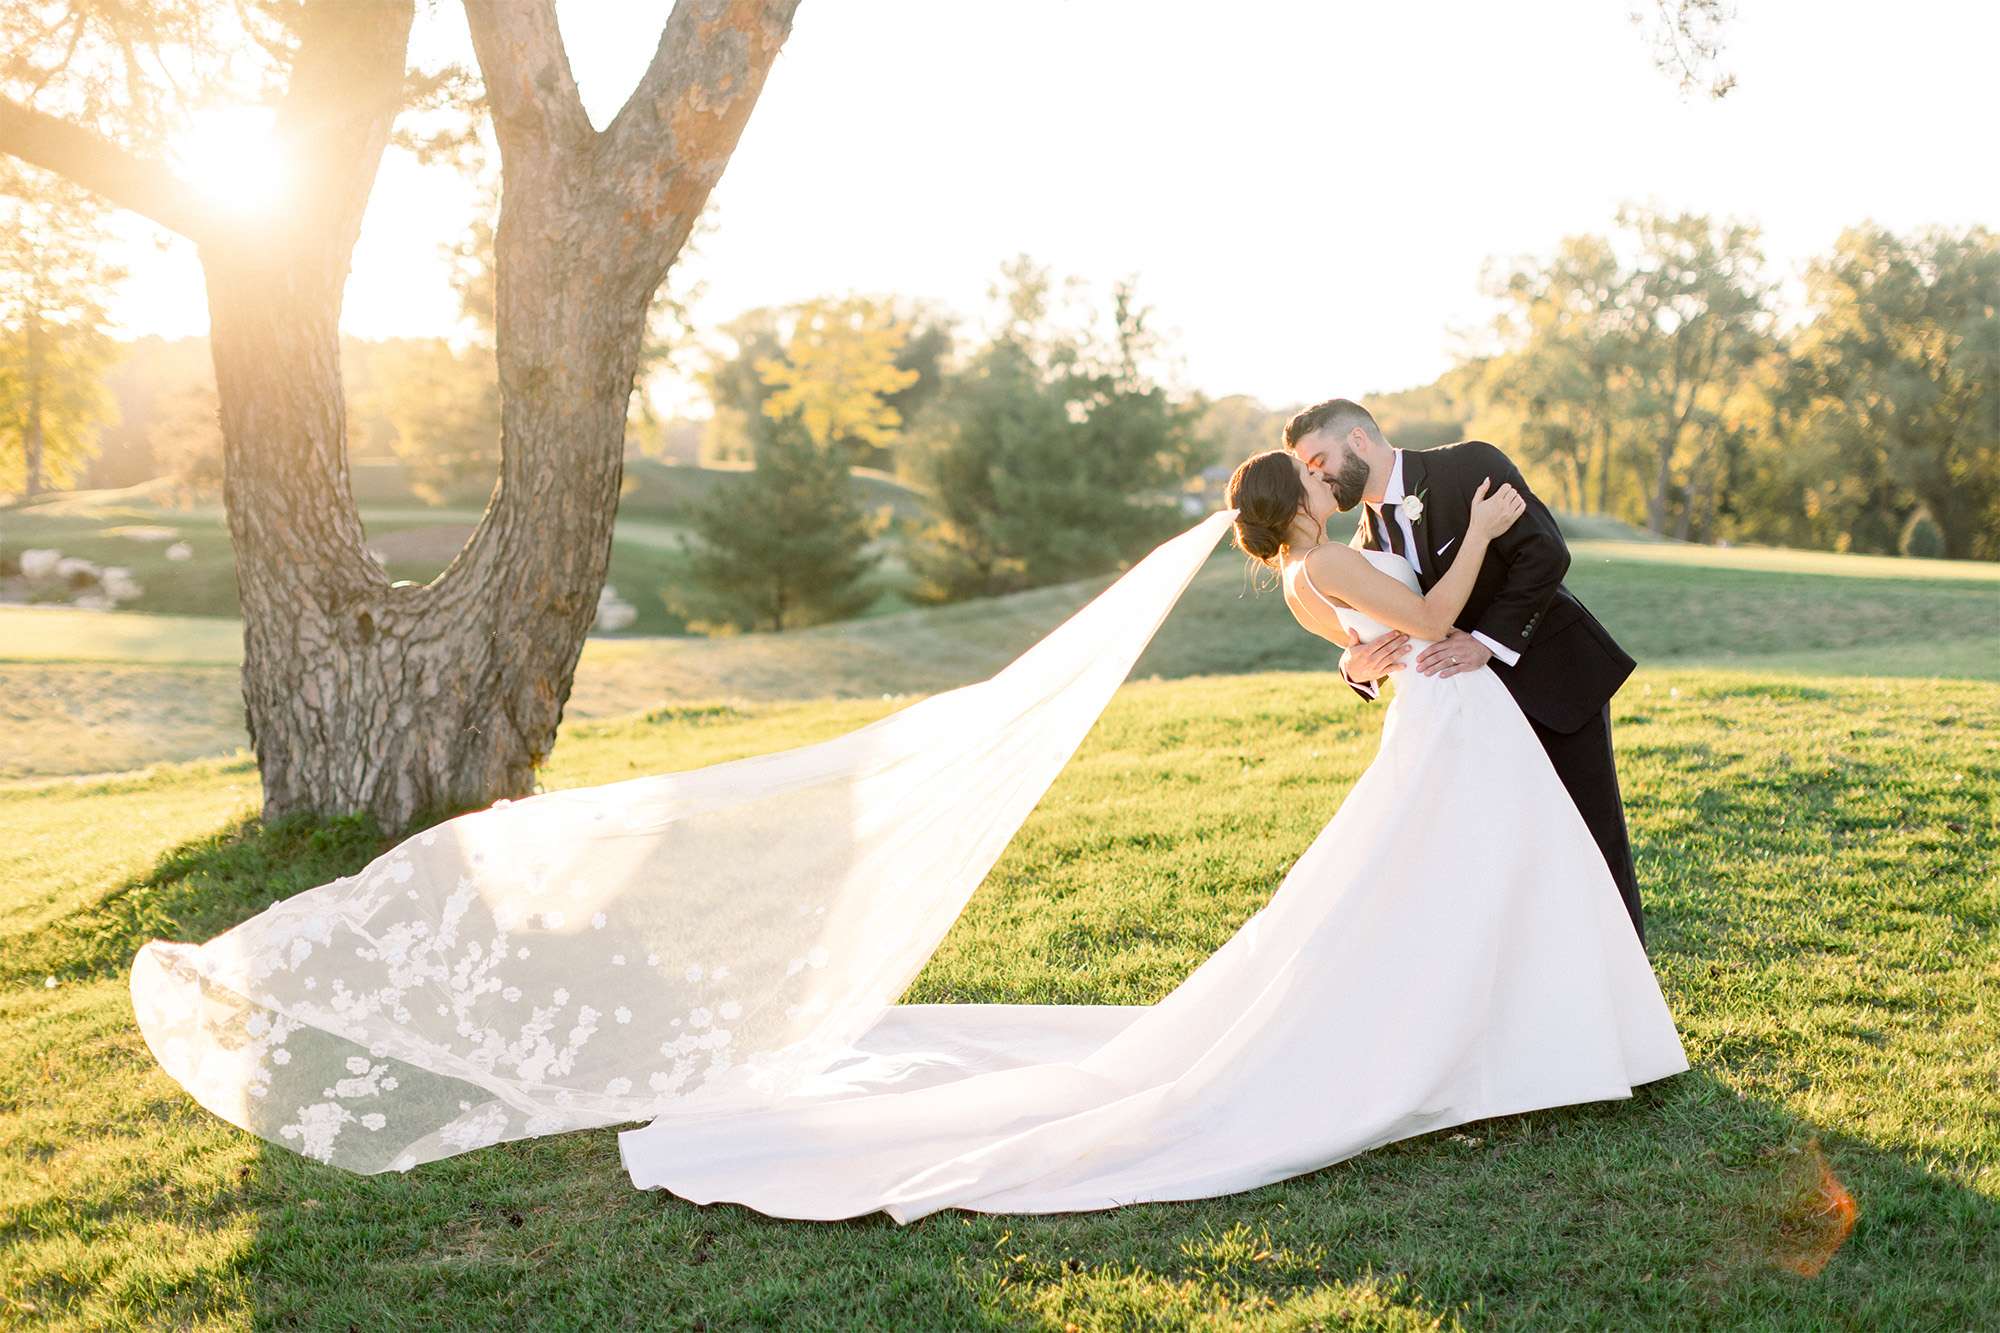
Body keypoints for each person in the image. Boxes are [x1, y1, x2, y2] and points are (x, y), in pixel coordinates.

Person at [133, 467, 1688, 1223]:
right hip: (1448, 714)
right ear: (1307, 511)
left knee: (1424, 895)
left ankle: (1531, 1028)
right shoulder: (1330, 561)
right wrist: (1476, 552)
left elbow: (1375, 651)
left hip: (1446, 726)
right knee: (1400, 901)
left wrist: (1414, 638)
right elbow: (1414, 625)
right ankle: (1512, 1036)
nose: (1348, 489)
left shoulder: (1291, 578)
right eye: (1332, 486)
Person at [1284, 398, 1647, 947]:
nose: (1318, 476)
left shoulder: (1470, 465)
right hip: (1468, 716)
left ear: (1358, 440)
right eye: (1308, 470)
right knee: (1509, 854)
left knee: (1592, 840)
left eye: (1319, 460)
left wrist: (1486, 644)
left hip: (1550, 682)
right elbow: (1386, 627)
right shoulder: (1361, 546)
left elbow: (1545, 553)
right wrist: (1355, 666)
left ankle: (1627, 982)